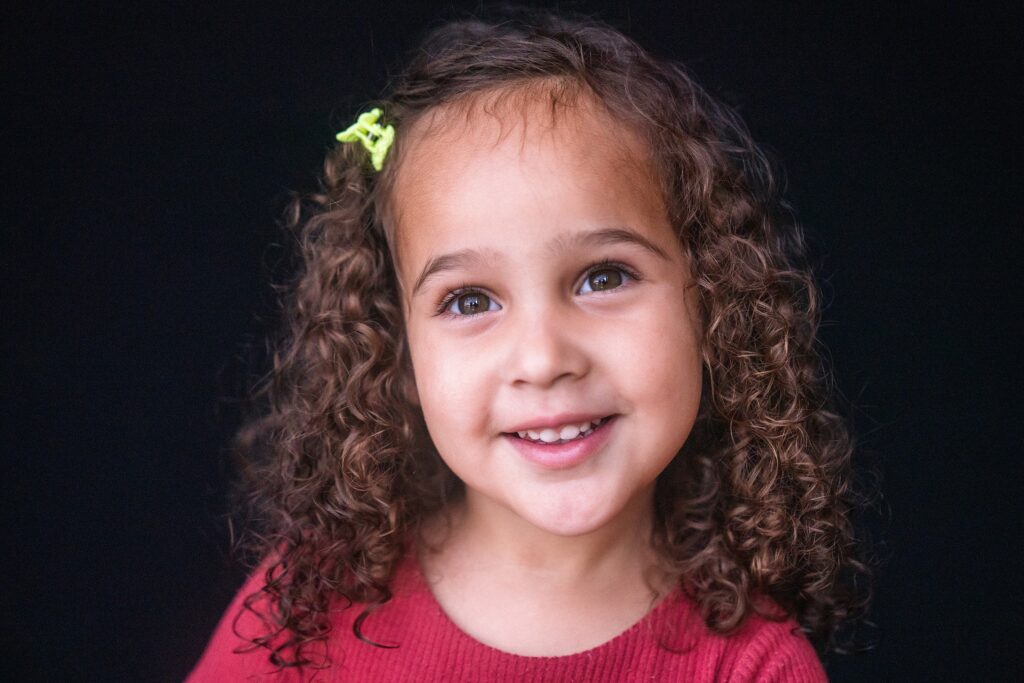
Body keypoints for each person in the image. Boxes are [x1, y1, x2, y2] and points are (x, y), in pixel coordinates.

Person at [187, 8, 870, 682]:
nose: (544, 360)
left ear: (712, 297)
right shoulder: (308, 602)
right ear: (394, 345)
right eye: (470, 300)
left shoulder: (751, 665)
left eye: (603, 277)